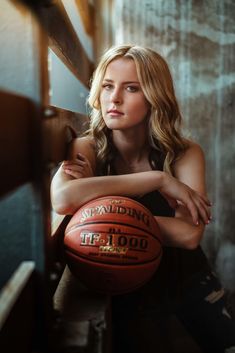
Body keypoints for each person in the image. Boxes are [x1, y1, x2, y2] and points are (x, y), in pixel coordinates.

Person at [51, 44, 235, 353]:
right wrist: (158, 179)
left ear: (153, 96)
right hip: (125, 283)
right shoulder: (87, 148)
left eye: (131, 88)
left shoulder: (184, 152)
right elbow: (63, 199)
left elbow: (189, 235)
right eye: (108, 86)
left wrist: (103, 215)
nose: (115, 98)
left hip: (187, 277)